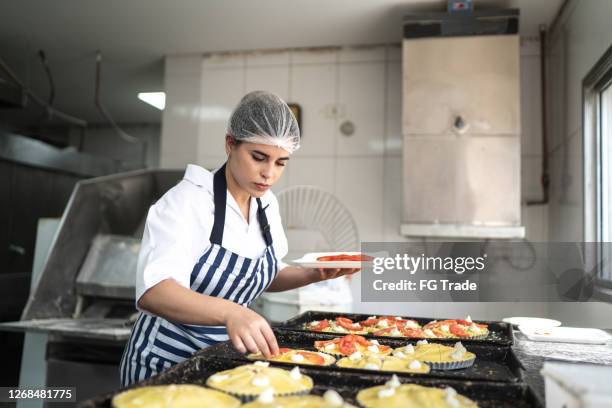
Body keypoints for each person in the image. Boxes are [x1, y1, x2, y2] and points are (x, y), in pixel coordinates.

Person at [119, 90, 359, 387]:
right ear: (230, 143)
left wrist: (314, 274)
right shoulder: (189, 201)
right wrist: (232, 312)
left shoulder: (266, 205)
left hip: (221, 365)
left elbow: (263, 275)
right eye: (258, 157)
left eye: (281, 162)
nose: (268, 173)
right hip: (165, 366)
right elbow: (154, 291)